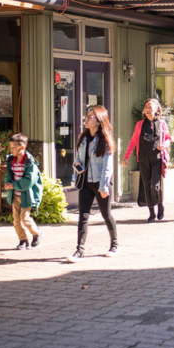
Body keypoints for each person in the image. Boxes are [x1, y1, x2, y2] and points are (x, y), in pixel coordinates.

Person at [68, 105, 117, 262]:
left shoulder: (104, 141)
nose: (86, 119)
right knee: (83, 216)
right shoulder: (83, 138)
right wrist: (77, 166)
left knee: (106, 214)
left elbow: (107, 167)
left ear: (99, 121)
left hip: (100, 183)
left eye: (90, 117)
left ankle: (114, 245)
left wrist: (103, 187)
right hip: (86, 183)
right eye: (87, 116)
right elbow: (77, 159)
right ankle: (79, 250)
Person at [123, 99, 171, 223]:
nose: (148, 110)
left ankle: (160, 205)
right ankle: (151, 213)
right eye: (146, 107)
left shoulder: (162, 124)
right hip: (143, 159)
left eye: (151, 107)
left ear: (156, 109)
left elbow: (168, 138)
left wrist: (164, 145)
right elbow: (133, 141)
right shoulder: (140, 124)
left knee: (155, 186)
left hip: (157, 159)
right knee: (146, 185)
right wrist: (126, 157)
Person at [4, 133, 43, 251]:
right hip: (15, 195)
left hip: (26, 196)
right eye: (10, 147)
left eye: (13, 147)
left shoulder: (30, 164)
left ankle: (36, 233)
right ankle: (23, 240)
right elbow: (9, 175)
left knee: (25, 218)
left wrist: (14, 185)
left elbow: (29, 181)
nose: (11, 150)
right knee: (16, 220)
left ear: (22, 148)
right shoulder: (12, 161)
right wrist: (7, 183)